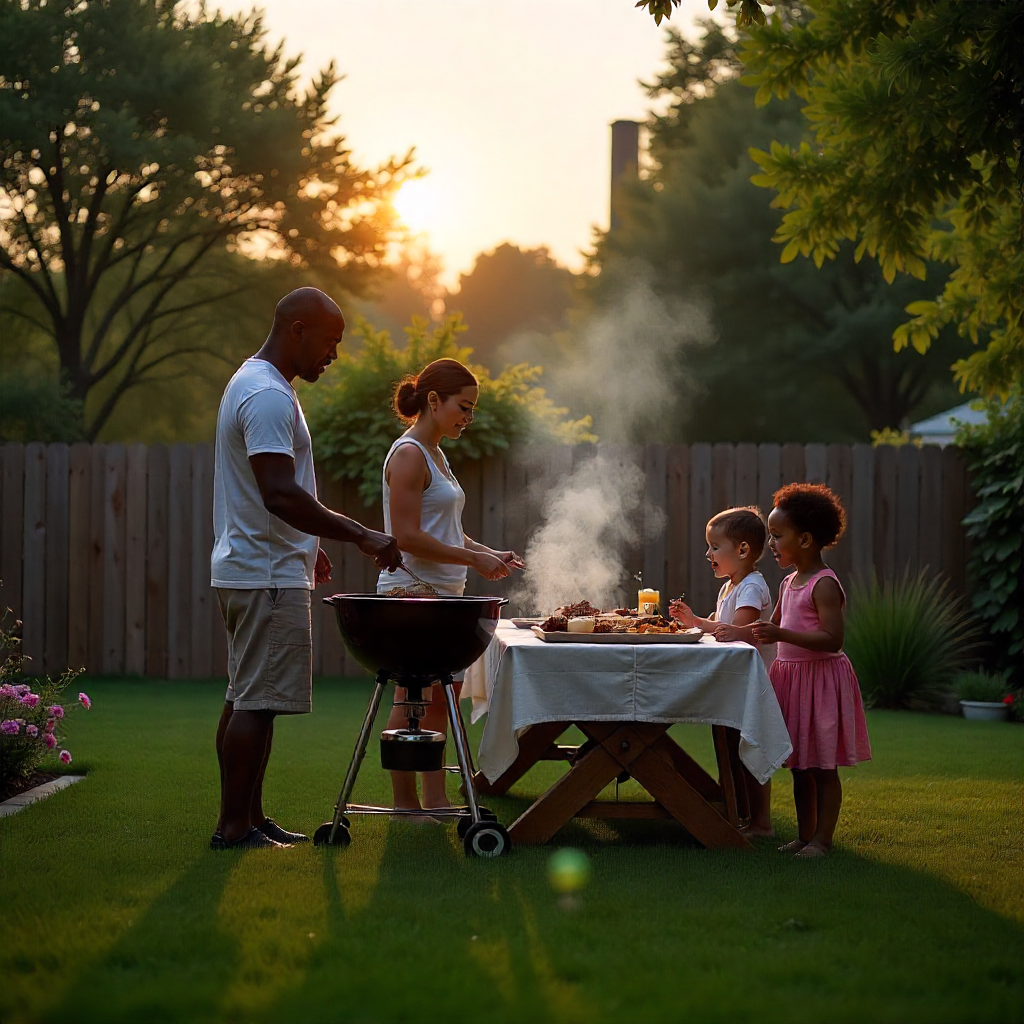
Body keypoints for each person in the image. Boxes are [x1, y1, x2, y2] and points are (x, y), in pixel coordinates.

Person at [210, 287, 402, 850]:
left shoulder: (251, 383)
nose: (334, 354)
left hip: (254, 566)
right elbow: (278, 493)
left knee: (246, 696)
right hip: (265, 576)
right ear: (297, 329)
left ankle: (248, 817)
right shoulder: (268, 396)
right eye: (330, 340)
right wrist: (363, 535)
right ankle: (234, 828)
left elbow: (268, 496)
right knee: (257, 703)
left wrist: (304, 543)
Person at [378, 358, 523, 818]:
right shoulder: (407, 455)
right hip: (409, 595)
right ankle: (405, 805)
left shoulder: (438, 455)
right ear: (434, 401)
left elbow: (446, 531)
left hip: (443, 596)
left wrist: (486, 551)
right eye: (464, 406)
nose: (469, 417)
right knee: (411, 700)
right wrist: (472, 559)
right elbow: (405, 537)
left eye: (473, 409)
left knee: (441, 699)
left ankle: (436, 800)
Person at [751, 483, 872, 859]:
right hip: (790, 680)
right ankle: (805, 837)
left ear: (804, 539)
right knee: (799, 765)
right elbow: (765, 629)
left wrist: (780, 633)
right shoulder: (789, 581)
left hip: (820, 682)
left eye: (777, 536)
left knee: (822, 766)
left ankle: (823, 840)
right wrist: (712, 630)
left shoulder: (823, 584)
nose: (771, 544)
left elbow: (832, 639)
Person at [668, 506, 777, 836]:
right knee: (731, 748)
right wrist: (693, 623)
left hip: (753, 683)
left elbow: (740, 629)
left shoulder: (752, 587)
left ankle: (761, 822)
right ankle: (737, 808)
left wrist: (701, 624)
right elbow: (721, 628)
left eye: (715, 547)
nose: (707, 553)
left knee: (749, 748)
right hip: (734, 684)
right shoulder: (729, 587)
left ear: (742, 549)